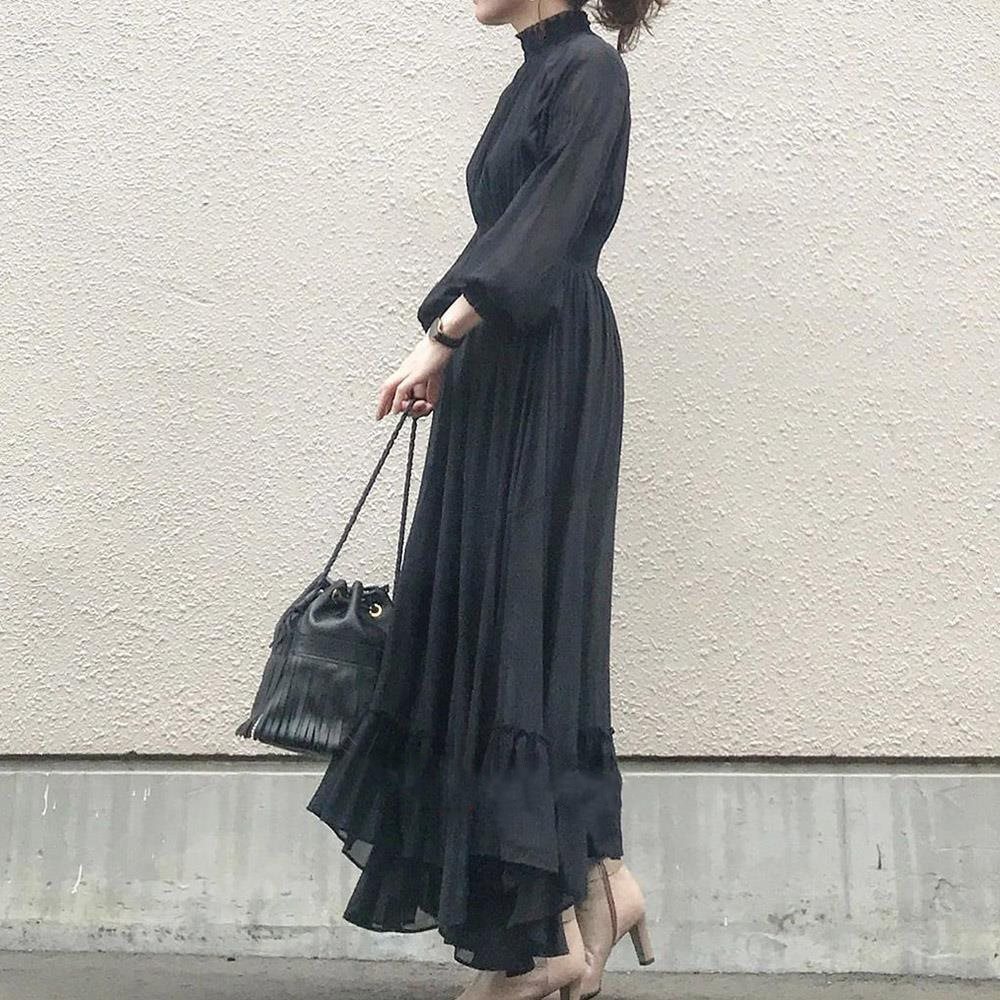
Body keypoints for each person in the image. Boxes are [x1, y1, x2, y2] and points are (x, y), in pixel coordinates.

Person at [307, 2, 665, 997]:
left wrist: (440, 337)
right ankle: (594, 884)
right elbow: (505, 234)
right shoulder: (535, 71)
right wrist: (452, 346)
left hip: (548, 369)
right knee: (491, 620)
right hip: (503, 368)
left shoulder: (589, 71)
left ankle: (545, 937)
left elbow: (543, 230)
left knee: (522, 622)